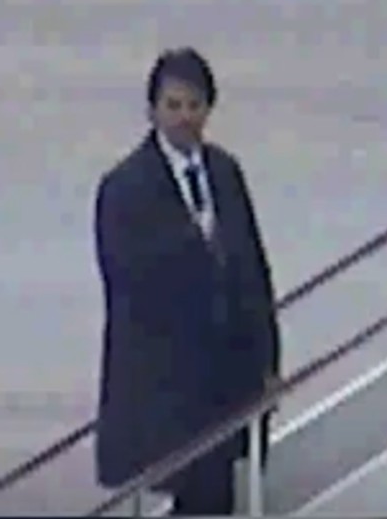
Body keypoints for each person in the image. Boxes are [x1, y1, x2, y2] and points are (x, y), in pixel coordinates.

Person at [93, 48, 281, 515]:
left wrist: (268, 359)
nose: (184, 118)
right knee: (190, 492)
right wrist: (193, 242)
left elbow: (254, 271)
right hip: (167, 380)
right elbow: (126, 280)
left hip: (225, 376)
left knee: (218, 496)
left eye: (194, 106)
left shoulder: (225, 172)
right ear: (153, 110)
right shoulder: (125, 187)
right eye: (173, 105)